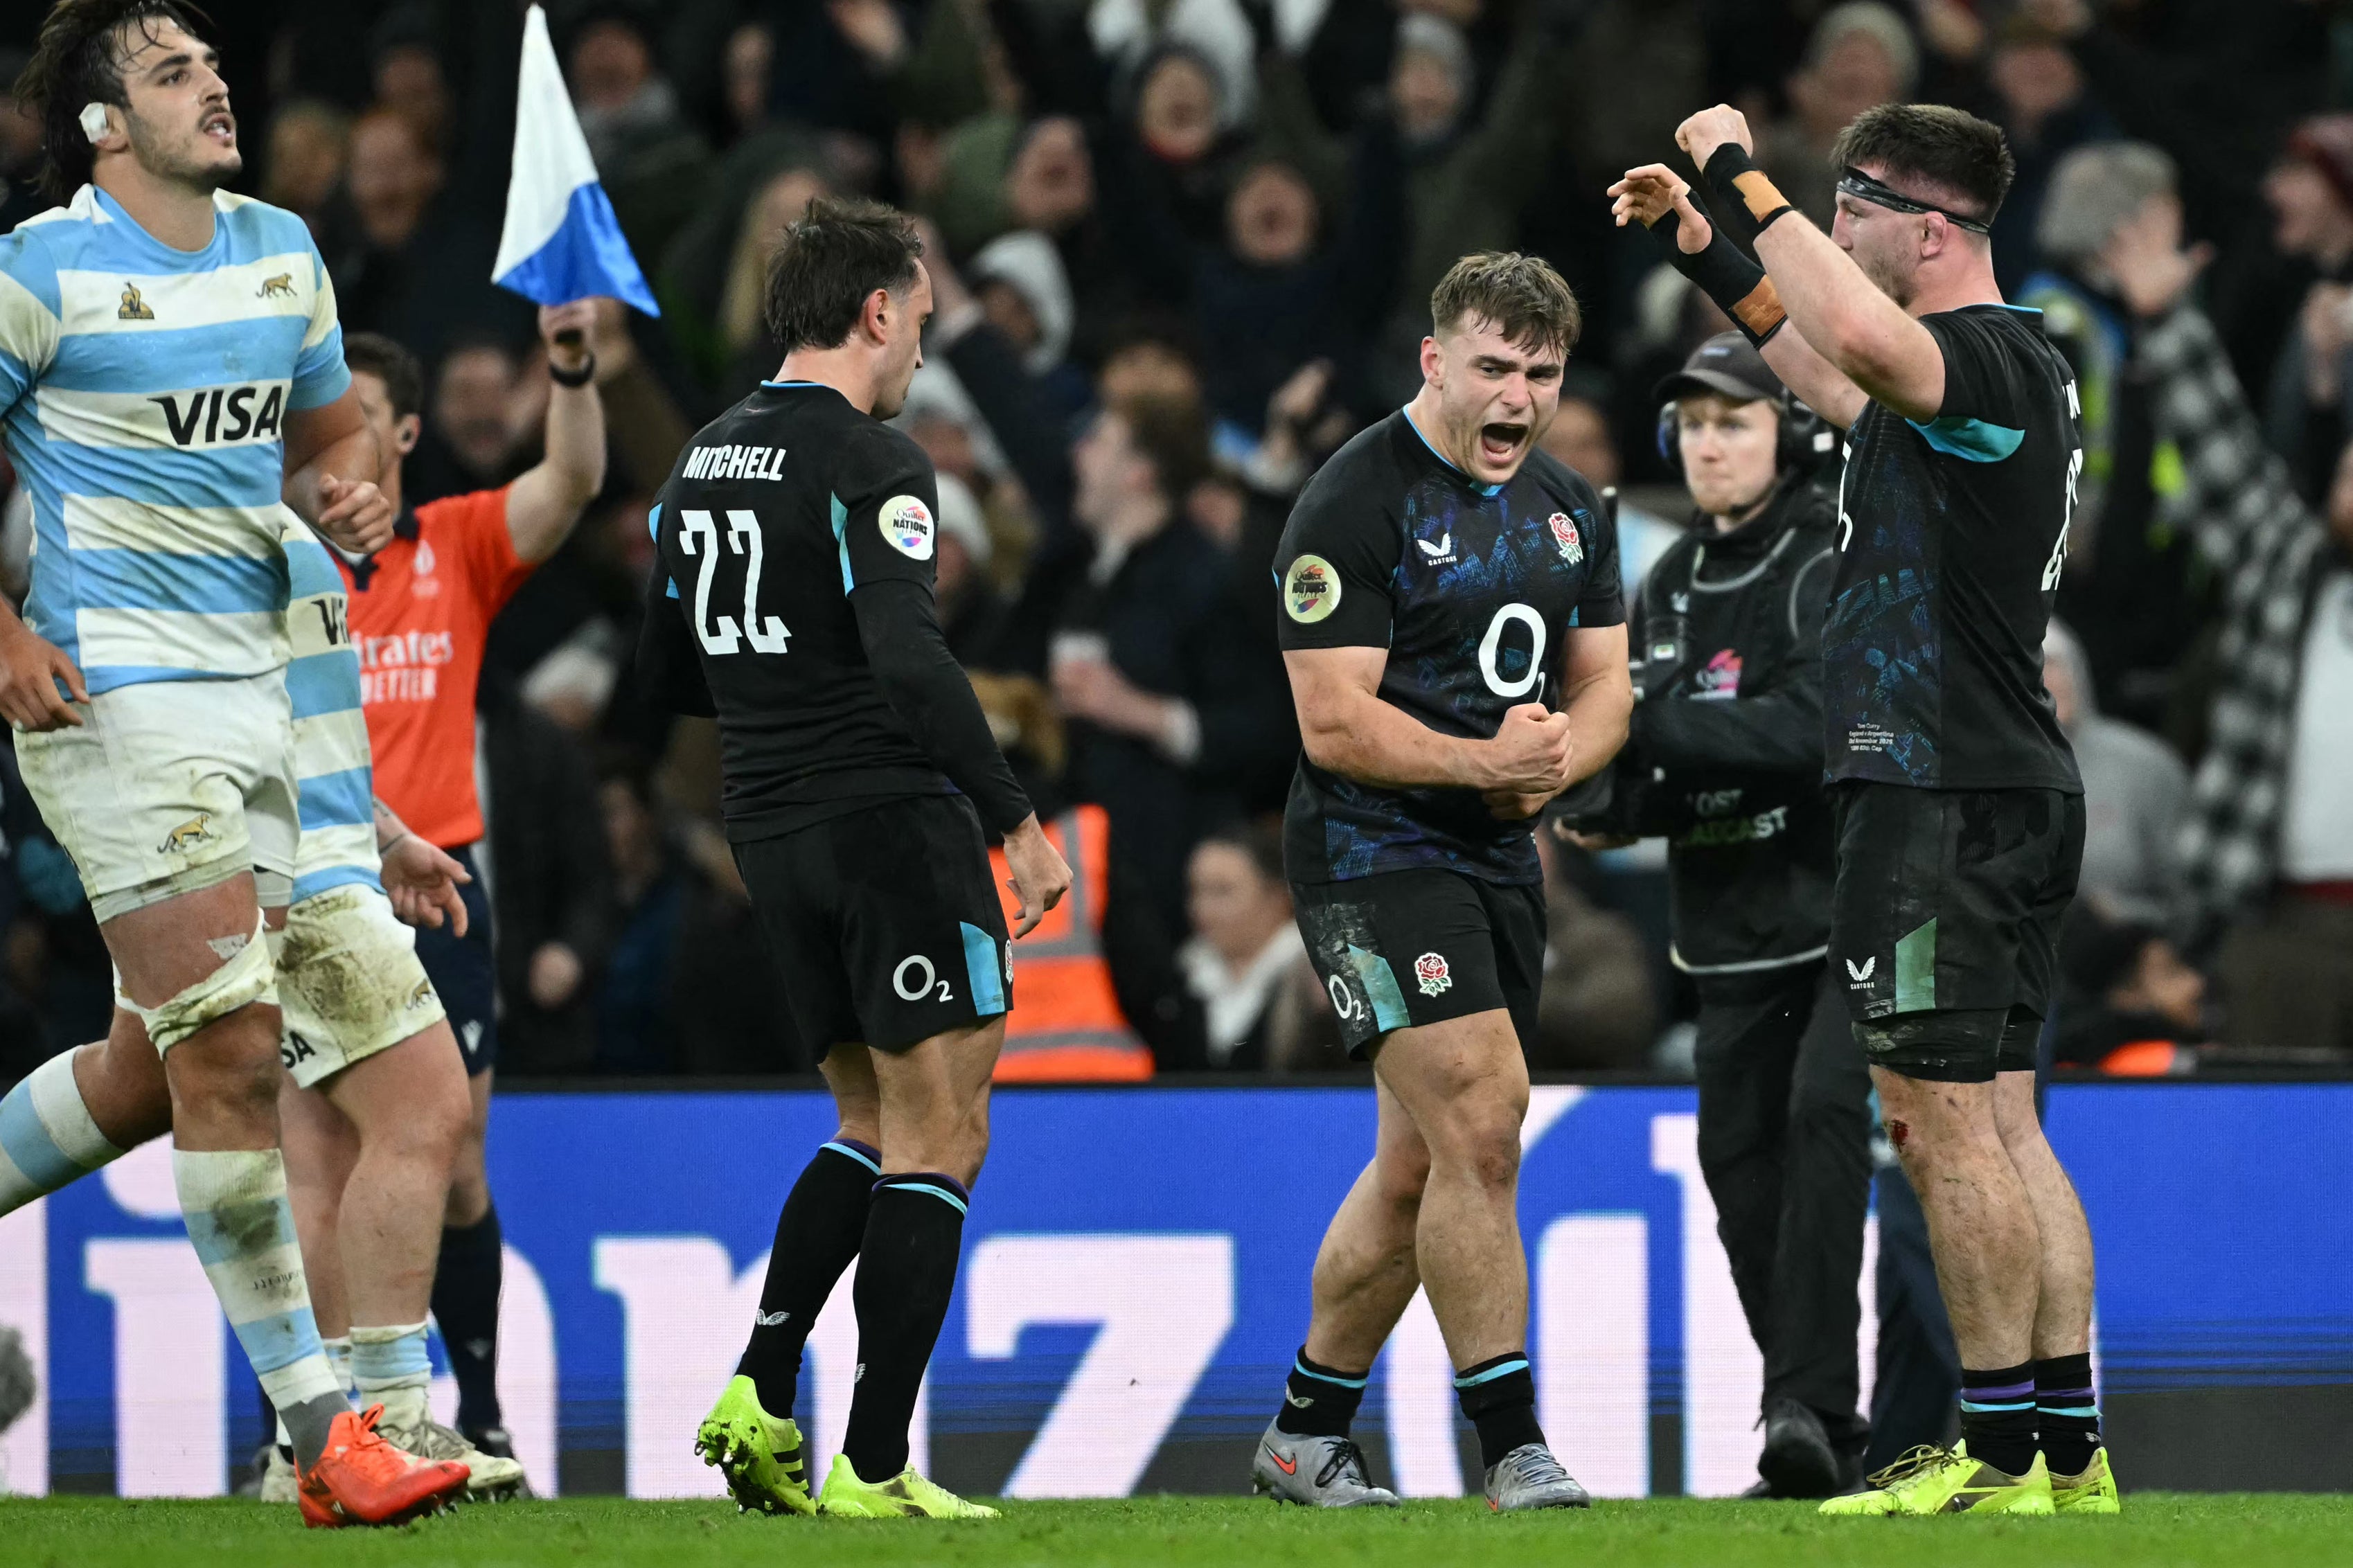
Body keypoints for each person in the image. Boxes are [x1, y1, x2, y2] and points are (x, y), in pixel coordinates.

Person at [1610, 99, 2111, 1515]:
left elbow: (1871, 343)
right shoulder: (1966, 391)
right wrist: (1711, 247)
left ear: (1930, 231)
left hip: (1940, 788)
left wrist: (1740, 170)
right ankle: (2067, 1456)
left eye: (1853, 215)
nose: (1831, 239)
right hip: (1993, 783)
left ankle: (1998, 1451)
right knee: (2004, 1128)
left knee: (1940, 1125)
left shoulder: (1983, 359)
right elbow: (1827, 365)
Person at [0, 0, 464, 1524]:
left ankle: (333, 1431)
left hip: (261, 702)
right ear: (102, 127)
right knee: (232, 1053)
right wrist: (2, 634)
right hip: (113, 702)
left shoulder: (281, 250)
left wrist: (343, 495)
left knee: (152, 1075)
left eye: (211, 62)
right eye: (171, 73)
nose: (214, 87)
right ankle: (323, 1435)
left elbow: (329, 441)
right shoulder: (41, 271)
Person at [638, 197, 1070, 1519]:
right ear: (877, 311)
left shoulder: (697, 463)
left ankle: (759, 1389)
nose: (924, 354)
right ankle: (875, 1462)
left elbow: (671, 678)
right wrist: (1011, 816)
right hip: (889, 825)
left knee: (868, 1123)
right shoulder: (876, 463)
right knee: (943, 1137)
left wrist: (780, 700)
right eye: (924, 324)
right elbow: (909, 655)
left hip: (766, 826)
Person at [1260, 251, 1633, 1512]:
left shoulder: (1575, 509)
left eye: (1540, 373)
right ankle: (1512, 1445)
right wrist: (1491, 763)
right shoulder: (1352, 500)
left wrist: (1556, 767)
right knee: (1483, 1111)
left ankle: (1303, 1436)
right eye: (1491, 368)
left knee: (1423, 1164)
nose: (1516, 397)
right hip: (1370, 851)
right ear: (1434, 362)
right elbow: (1332, 724)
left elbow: (1607, 685)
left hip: (1493, 853)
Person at [1575, 330, 1869, 1497]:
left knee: (1819, 1123)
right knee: (1735, 1162)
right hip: (1725, 919)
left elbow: (1813, 734)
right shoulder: (1667, 583)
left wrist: (1643, 730)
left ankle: (1808, 1409)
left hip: (1836, 908)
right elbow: (1676, 749)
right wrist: (1604, 797)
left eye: (1732, 422)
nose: (1706, 445)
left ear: (1788, 436)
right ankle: (1812, 1423)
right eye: (1691, 426)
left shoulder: (1822, 561)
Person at [326, 302, 610, 1471]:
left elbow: (576, 477)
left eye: (347, 421)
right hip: (314, 893)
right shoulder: (265, 564)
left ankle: (481, 1413)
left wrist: (572, 368)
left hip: (439, 886)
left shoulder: (453, 543)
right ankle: (309, 1430)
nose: (321, 440)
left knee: (455, 1165)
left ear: (398, 437)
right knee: (318, 1164)